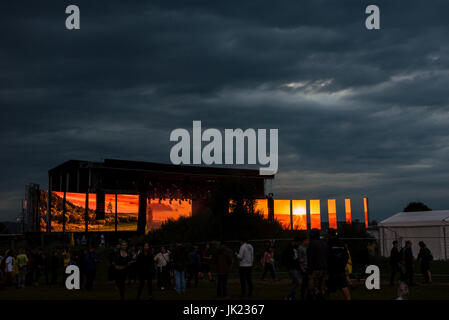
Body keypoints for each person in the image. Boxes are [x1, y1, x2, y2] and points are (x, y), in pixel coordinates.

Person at [326, 229, 351, 300]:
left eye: (327, 234)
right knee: (344, 286)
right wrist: (342, 264)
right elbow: (346, 256)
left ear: (329, 234)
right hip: (340, 269)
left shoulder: (328, 243)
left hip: (332, 269)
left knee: (328, 288)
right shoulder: (341, 243)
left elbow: (327, 256)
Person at [307, 229, 328, 300]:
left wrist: (309, 270)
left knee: (313, 286)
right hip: (324, 267)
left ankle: (316, 295)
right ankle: (322, 296)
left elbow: (310, 257)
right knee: (322, 286)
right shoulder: (324, 243)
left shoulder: (312, 244)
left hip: (316, 268)